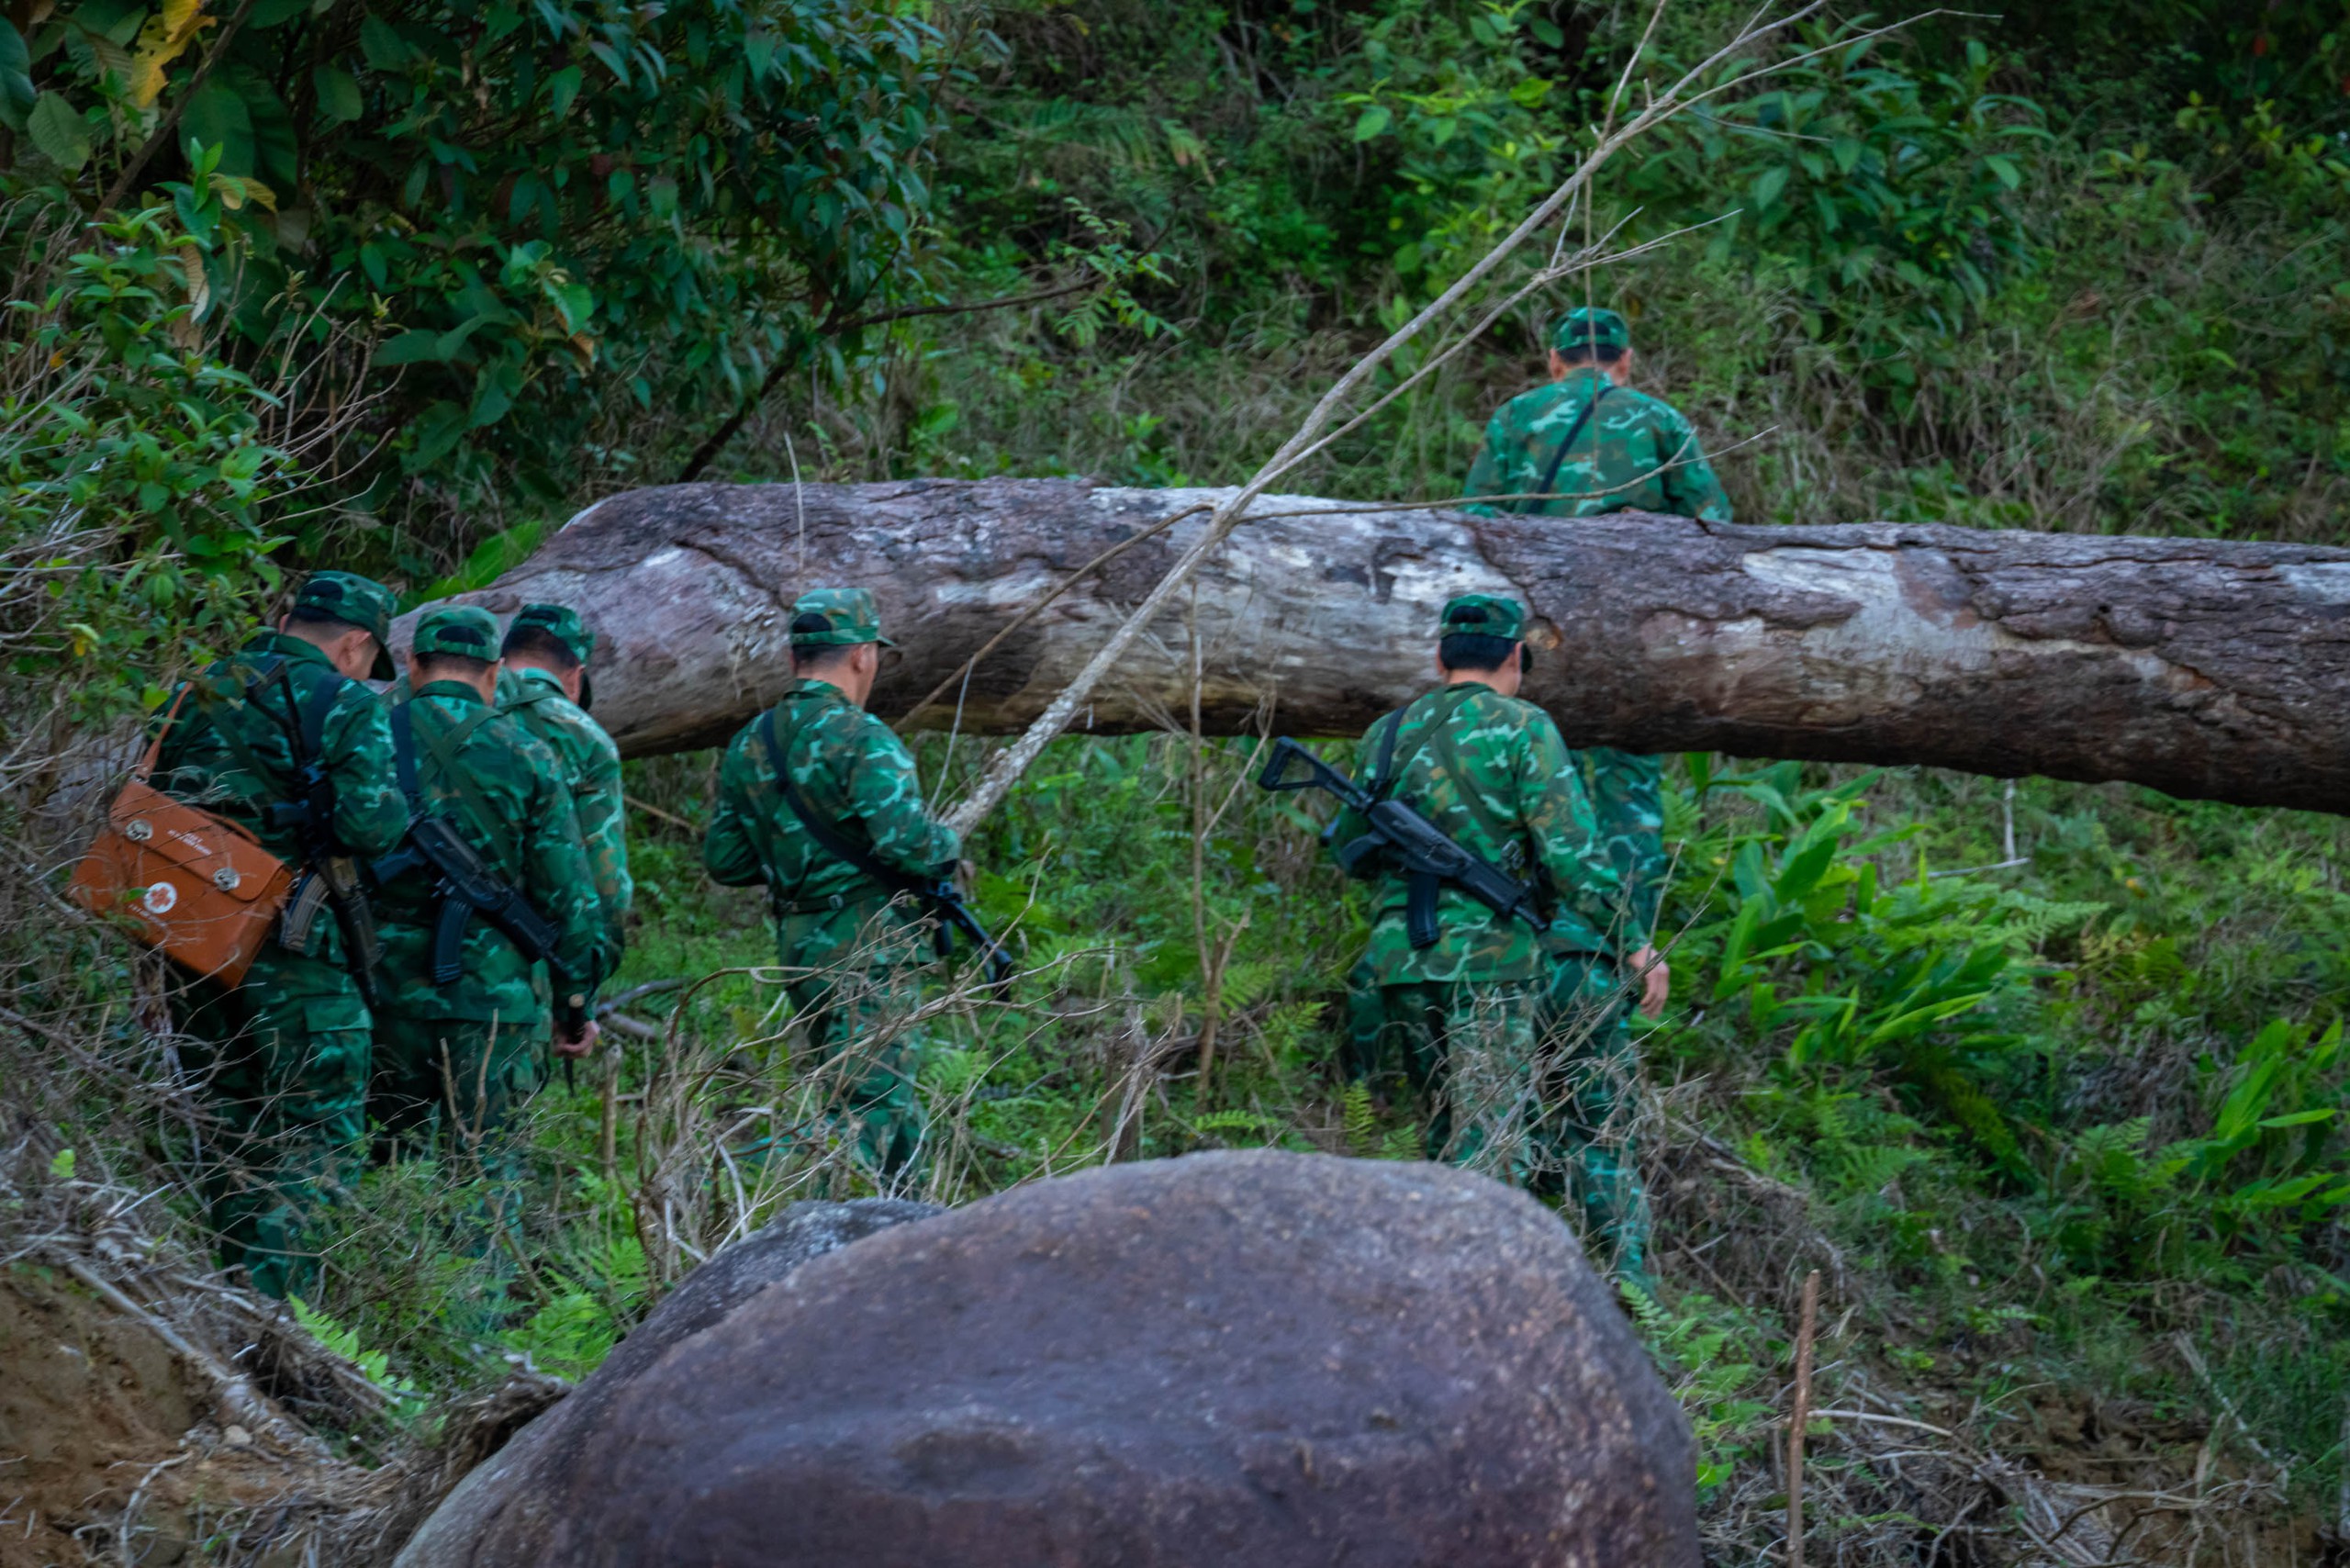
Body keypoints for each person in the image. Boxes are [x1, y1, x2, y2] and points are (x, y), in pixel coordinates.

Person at [1336, 595, 1650, 1285]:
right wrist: (1632, 941)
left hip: (1399, 964)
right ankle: (1483, 1301)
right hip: (1490, 966)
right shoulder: (1525, 727)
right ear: (1515, 657)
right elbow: (1572, 854)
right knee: (1489, 1148)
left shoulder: (1387, 733)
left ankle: (1437, 1289)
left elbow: (1355, 853)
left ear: (1439, 657)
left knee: (1443, 1134)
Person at [151, 571, 411, 1298]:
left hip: (186, 927)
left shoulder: (194, 686)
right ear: (356, 644)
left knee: (226, 1114)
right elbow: (373, 825)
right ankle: (282, 1322)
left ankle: (222, 1297)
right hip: (291, 944)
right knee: (315, 1129)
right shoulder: (344, 701)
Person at [1462, 303, 1725, 1017]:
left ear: (1555, 361)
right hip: (1631, 653)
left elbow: (1473, 525)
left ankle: (1516, 973)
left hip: (1531, 650)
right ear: (1625, 360)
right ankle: (1619, 968)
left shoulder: (1516, 418)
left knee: (1518, 799)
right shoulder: (1660, 421)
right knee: (1626, 812)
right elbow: (1717, 535)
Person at [701, 588, 960, 1178]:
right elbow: (907, 845)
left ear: (795, 660)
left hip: (799, 943)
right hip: (866, 944)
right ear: (864, 656)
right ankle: (835, 1238)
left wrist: (792, 857)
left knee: (870, 1092)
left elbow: (725, 860)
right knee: (871, 1103)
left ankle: (908, 1221)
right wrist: (949, 844)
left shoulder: (751, 742)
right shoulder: (864, 738)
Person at [369, 606, 604, 1171]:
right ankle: (485, 1264)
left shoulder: (369, 737)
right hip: (493, 1010)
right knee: (486, 1184)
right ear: (497, 672)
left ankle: (388, 1262)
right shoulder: (529, 754)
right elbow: (570, 902)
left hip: (381, 998)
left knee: (388, 1172)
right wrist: (575, 1008)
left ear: (411, 664)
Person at [498, 603, 632, 1041]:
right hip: (521, 963)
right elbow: (606, 888)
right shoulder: (586, 739)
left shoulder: (445, 707)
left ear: (502, 659)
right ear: (575, 675)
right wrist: (577, 998)